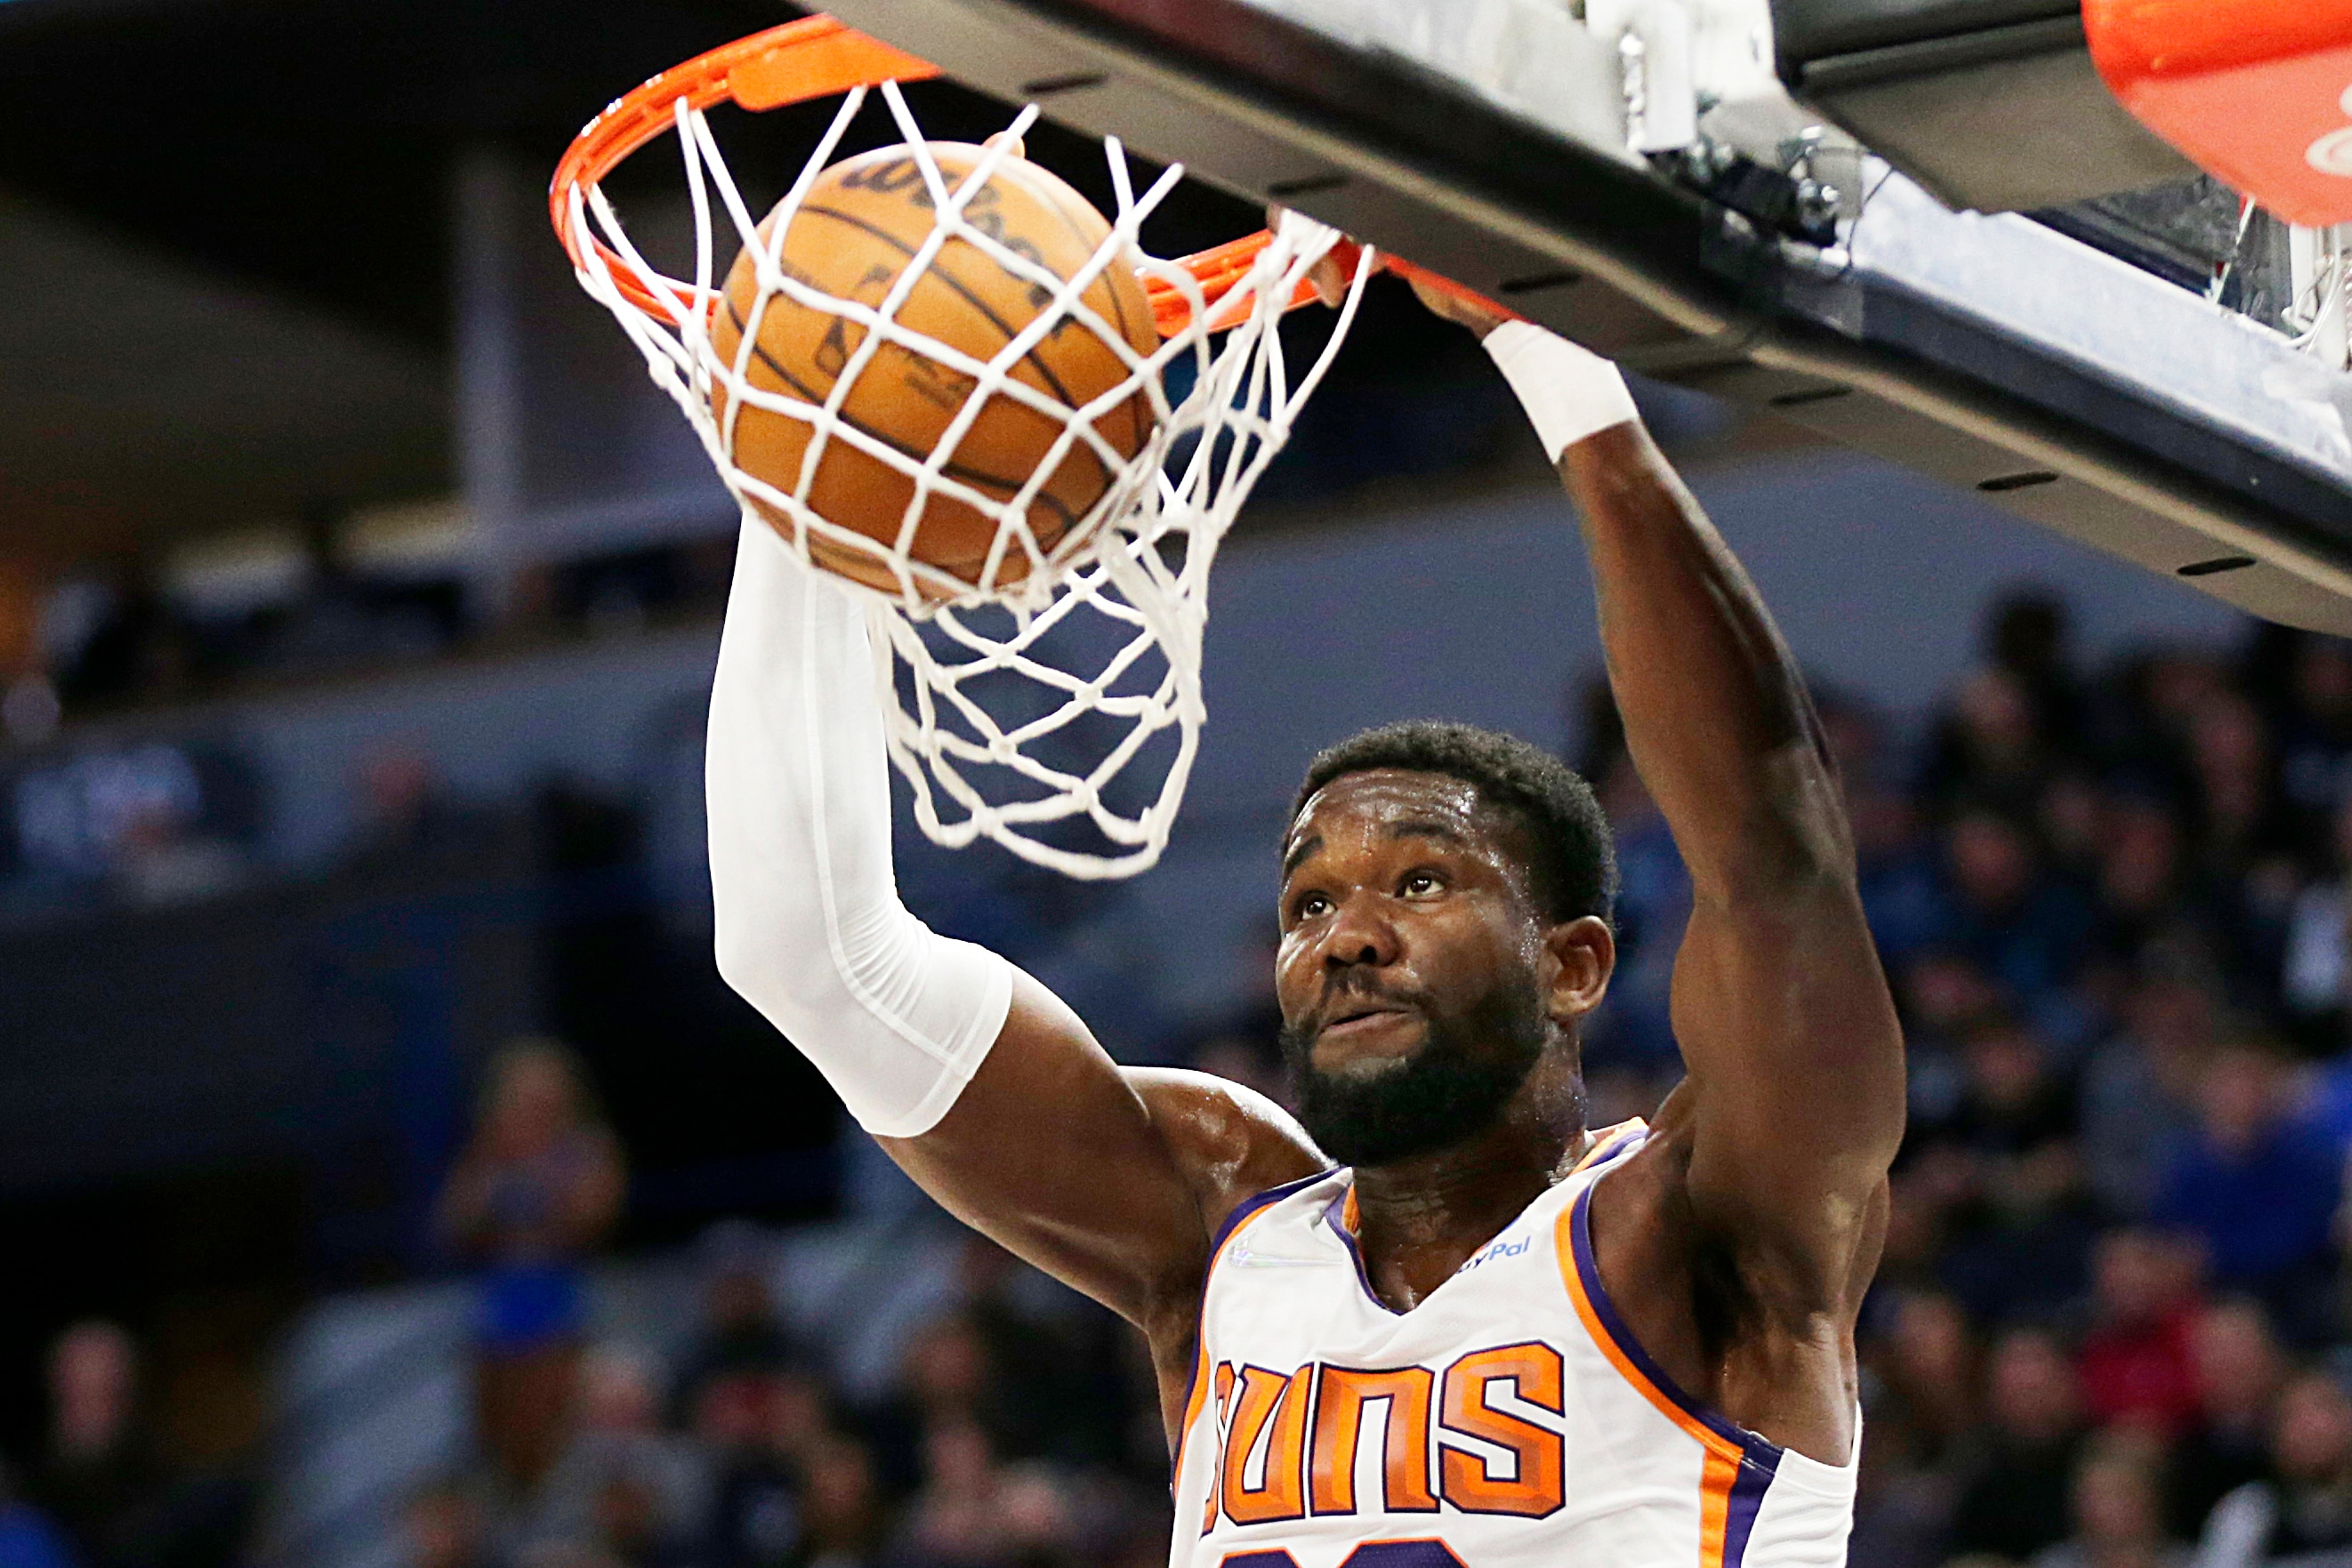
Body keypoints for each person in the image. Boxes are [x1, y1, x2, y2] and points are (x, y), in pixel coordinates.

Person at [705, 280, 1905, 1563]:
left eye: (1422, 883)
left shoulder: (1702, 1224)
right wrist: (798, 458)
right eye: (1309, 902)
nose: (1347, 936)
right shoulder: (1220, 1219)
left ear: (1572, 963)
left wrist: (1551, 352)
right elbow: (814, 958)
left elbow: (1774, 866)